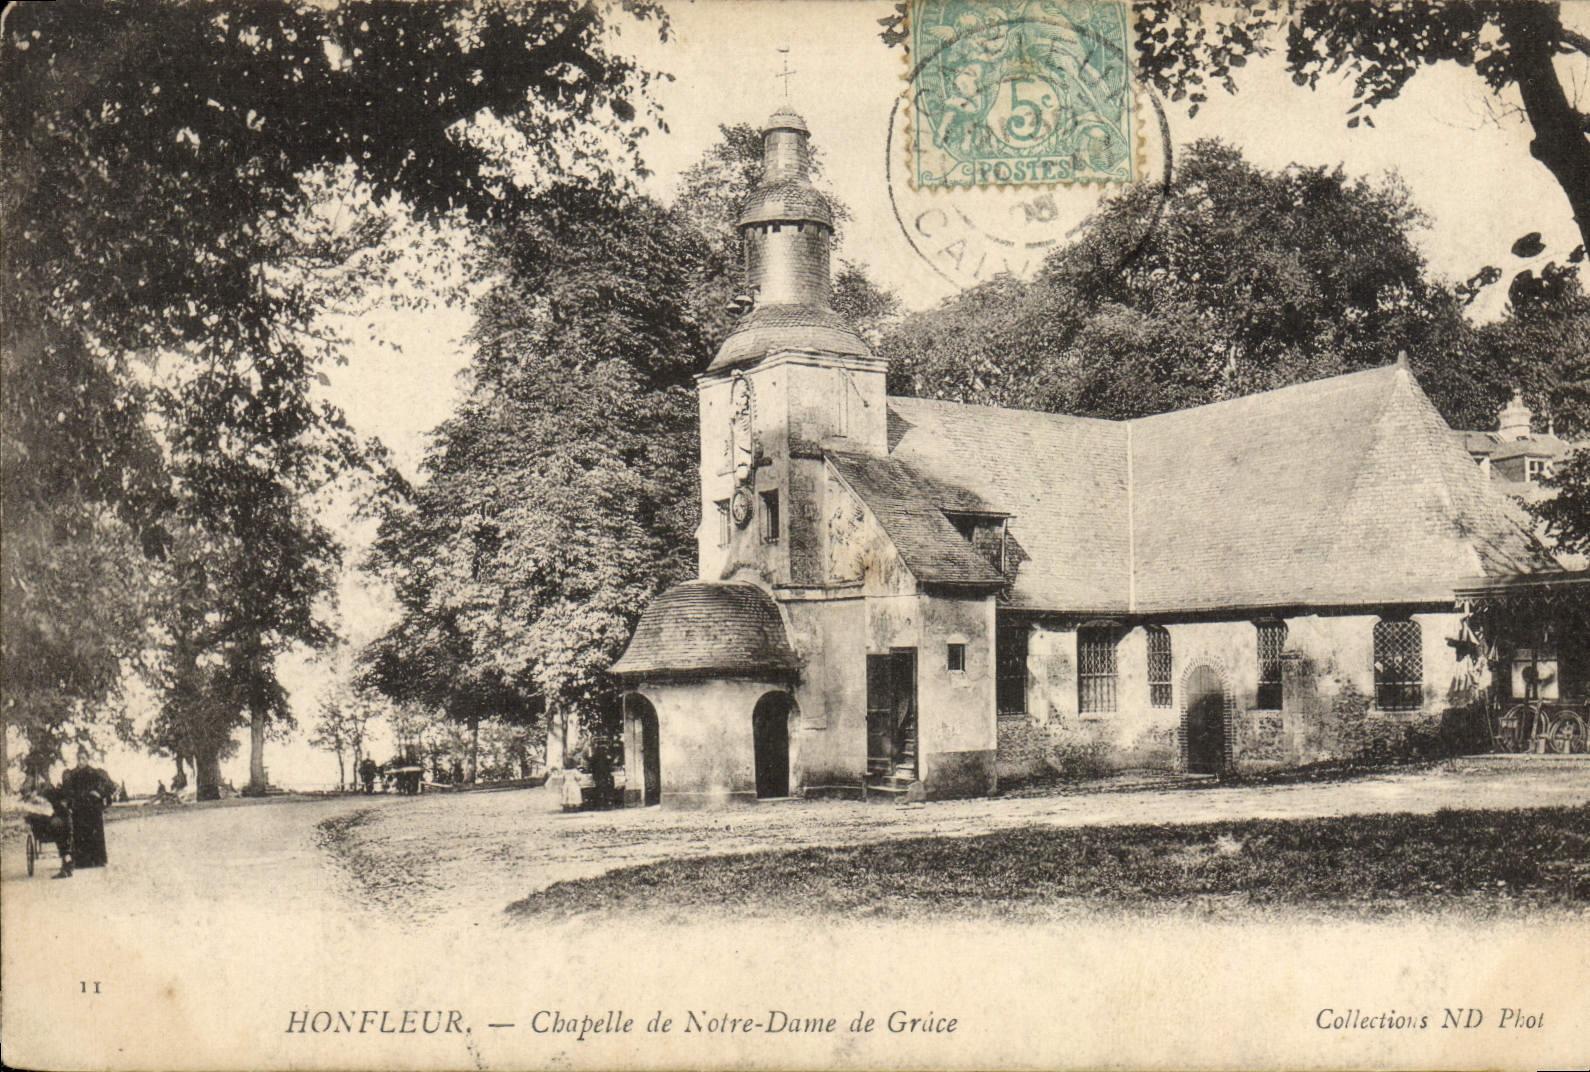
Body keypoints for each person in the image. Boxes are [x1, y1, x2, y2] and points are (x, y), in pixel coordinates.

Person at [60, 746, 118, 870]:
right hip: (79, 808)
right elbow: (67, 790)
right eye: (79, 759)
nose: (81, 761)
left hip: (92, 808)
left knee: (95, 832)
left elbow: (109, 785)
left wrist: (99, 793)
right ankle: (81, 861)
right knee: (79, 832)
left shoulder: (95, 773)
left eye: (83, 758)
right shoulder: (72, 774)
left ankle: (97, 859)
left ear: (87, 759)